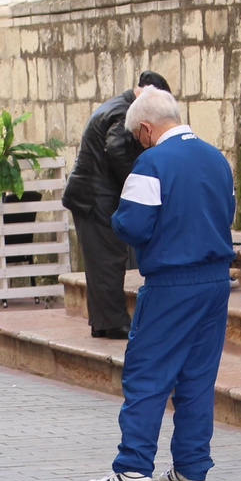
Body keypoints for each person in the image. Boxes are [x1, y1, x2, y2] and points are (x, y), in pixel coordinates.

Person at [85, 86, 235, 481]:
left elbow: (134, 225)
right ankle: (191, 466)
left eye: (137, 136)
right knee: (198, 378)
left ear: (146, 129)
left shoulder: (152, 163)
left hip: (172, 281)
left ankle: (132, 469)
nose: (138, 143)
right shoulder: (217, 158)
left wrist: (117, 218)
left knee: (147, 373)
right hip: (216, 280)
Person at [63, 70, 172, 339]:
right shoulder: (125, 112)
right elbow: (117, 149)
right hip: (95, 197)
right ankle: (111, 322)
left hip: (91, 195)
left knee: (102, 259)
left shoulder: (118, 106)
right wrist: (134, 183)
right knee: (108, 258)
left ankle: (104, 322)